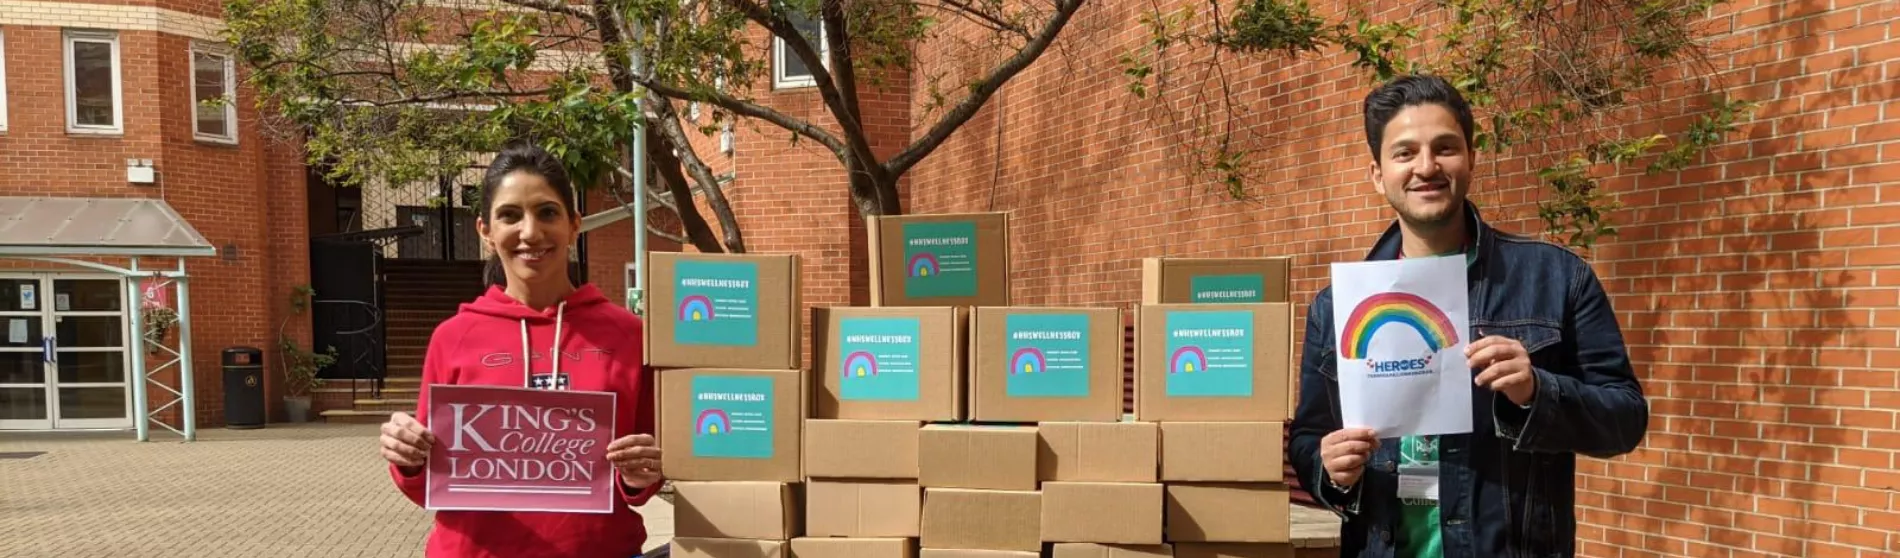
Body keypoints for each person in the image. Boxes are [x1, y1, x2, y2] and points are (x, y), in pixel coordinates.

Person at [1288, 74, 1649, 557]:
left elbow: (1625, 420)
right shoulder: (1335, 307)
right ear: (1378, 174)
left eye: (1445, 147)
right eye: (1404, 153)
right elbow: (1310, 439)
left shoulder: (1556, 277)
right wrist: (1328, 467)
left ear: (1471, 158)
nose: (1426, 166)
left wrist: (1537, 392)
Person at [378, 140, 665, 557]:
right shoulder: (453, 337)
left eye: (547, 212)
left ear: (574, 224)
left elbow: (645, 476)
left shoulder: (629, 335)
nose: (530, 232)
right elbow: (427, 484)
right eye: (510, 215)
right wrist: (407, 457)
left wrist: (642, 475)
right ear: (486, 231)